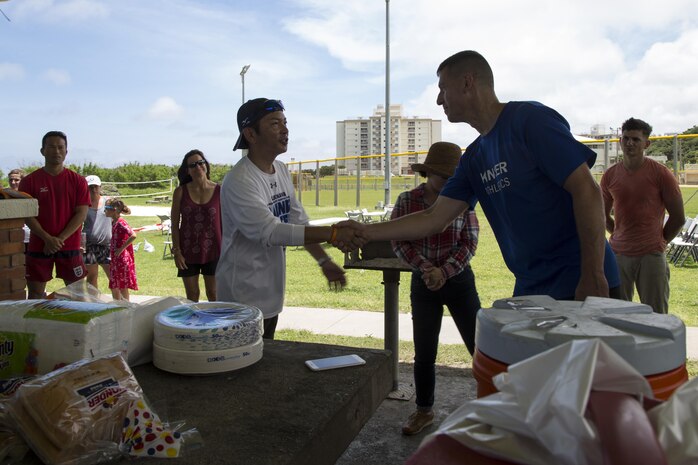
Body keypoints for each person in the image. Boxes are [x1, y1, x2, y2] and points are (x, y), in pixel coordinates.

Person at [337, 50, 619, 301]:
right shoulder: (473, 156)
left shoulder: (529, 120)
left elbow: (587, 191)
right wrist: (365, 231)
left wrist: (594, 274)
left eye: (442, 88)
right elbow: (433, 218)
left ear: (467, 82)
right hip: (532, 289)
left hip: (583, 281)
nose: (438, 99)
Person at [216, 98, 361, 339]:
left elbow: (299, 224)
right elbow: (271, 232)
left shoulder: (281, 170)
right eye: (275, 124)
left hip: (271, 293)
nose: (285, 130)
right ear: (250, 134)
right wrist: (334, 233)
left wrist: (324, 262)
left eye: (285, 122)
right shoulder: (240, 180)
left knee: (266, 358)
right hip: (241, 298)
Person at [391, 142, 481, 436]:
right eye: (442, 176)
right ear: (427, 173)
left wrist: (445, 271)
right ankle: (423, 411)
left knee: (480, 347)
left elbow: (470, 242)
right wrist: (426, 269)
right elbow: (398, 241)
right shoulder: (407, 201)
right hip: (424, 281)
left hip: (459, 281)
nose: (447, 182)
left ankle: (492, 407)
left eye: (452, 177)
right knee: (424, 352)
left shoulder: (462, 201)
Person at [600, 118, 684, 313]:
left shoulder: (661, 174)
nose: (629, 143)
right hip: (619, 255)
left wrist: (659, 240)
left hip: (651, 255)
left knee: (656, 315)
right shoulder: (610, 175)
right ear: (620, 141)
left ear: (647, 144)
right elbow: (602, 215)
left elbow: (678, 217)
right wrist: (620, 233)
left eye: (636, 139)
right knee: (617, 314)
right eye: (626, 138)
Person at [19, 131, 90, 298]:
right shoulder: (29, 181)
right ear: (42, 151)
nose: (56, 151)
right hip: (39, 245)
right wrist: (47, 238)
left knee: (78, 294)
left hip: (70, 246)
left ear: (66, 151)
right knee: (36, 294)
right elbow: (27, 215)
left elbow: (81, 213)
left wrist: (58, 240)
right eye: (51, 147)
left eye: (60, 147)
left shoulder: (78, 181)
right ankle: (36, 325)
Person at [170, 149, 222, 302]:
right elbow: (174, 224)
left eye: (200, 163)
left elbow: (228, 221)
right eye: (193, 165)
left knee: (214, 294)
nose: (198, 167)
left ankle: (215, 326)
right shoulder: (180, 192)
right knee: (192, 296)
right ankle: (194, 326)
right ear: (188, 171)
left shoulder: (220, 191)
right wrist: (177, 251)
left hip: (214, 250)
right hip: (187, 252)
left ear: (206, 165)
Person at [104, 198, 138, 301]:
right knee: (116, 284)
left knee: (123, 285)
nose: (104, 211)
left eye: (106, 208)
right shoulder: (113, 222)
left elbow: (133, 235)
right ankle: (119, 305)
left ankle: (126, 306)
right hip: (116, 259)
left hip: (122, 259)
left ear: (114, 210)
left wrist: (121, 249)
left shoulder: (121, 222)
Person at [83, 175, 112, 292]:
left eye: (96, 187)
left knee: (113, 277)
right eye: (90, 187)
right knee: (91, 277)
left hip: (107, 245)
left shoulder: (108, 202)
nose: (94, 190)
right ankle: (94, 304)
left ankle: (120, 301)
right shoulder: (84, 205)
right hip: (89, 246)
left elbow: (122, 214)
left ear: (100, 187)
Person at [8, 168, 31, 246]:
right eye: (11, 180)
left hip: (29, 239)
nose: (13, 182)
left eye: (16, 180)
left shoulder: (30, 196)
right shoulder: (5, 196)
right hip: (13, 239)